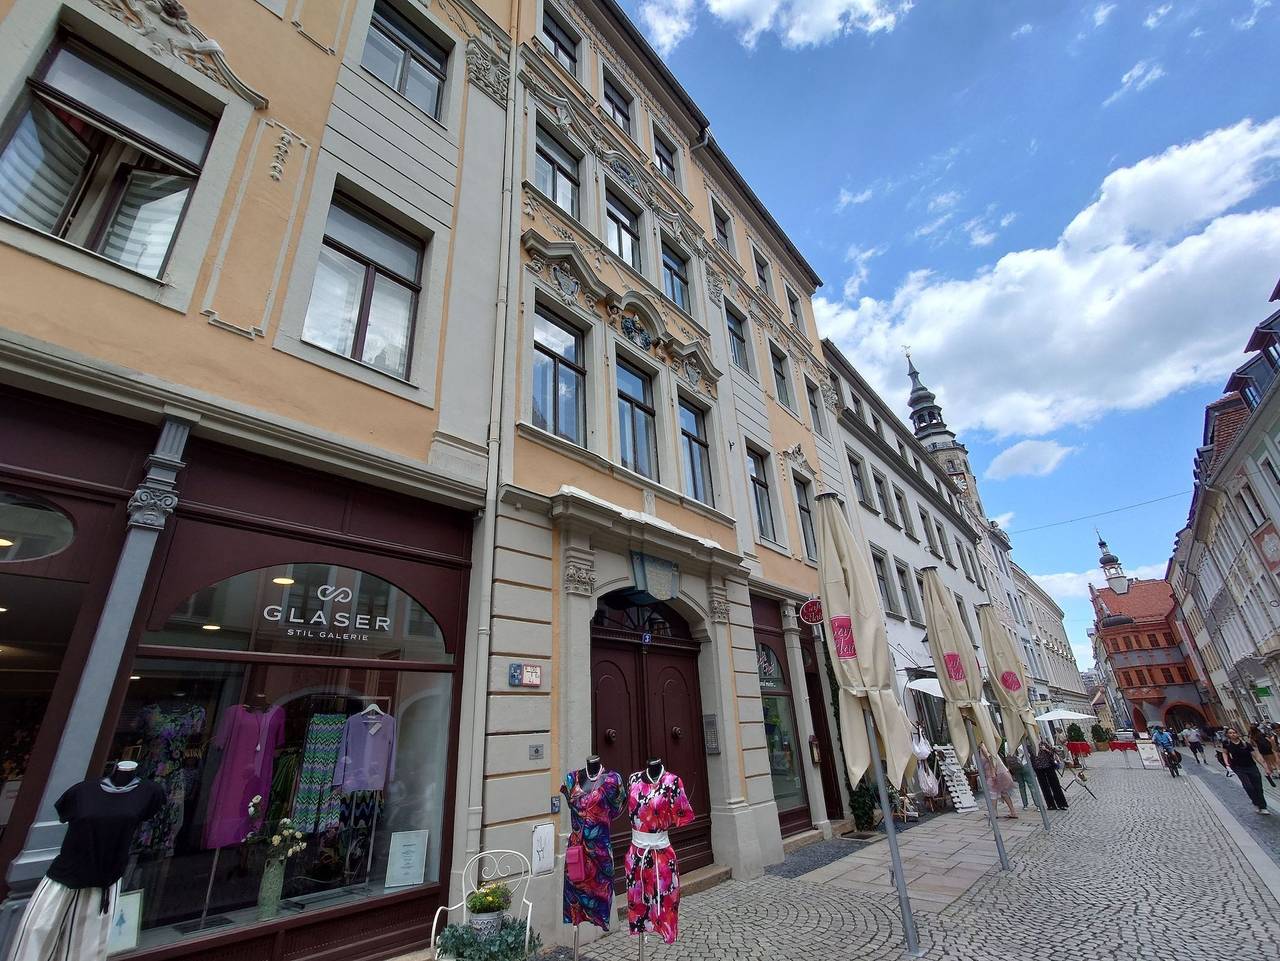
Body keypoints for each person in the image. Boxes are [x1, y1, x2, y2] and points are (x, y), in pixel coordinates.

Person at [1223, 726, 1270, 815]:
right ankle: (1256, 803)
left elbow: (1256, 756)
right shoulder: (1227, 744)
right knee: (1248, 787)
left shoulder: (1245, 744)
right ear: (1228, 735)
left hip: (1251, 766)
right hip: (1239, 768)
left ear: (1237, 733)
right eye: (1230, 733)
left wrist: (1265, 767)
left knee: (1258, 787)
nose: (1232, 734)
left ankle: (1263, 807)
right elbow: (1224, 753)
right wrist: (1227, 763)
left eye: (1234, 732)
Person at [979, 745, 1019, 820]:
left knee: (992, 792)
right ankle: (1013, 812)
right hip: (1000, 772)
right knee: (1003, 792)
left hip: (993, 773)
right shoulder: (989, 744)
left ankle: (994, 813)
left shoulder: (982, 746)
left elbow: (990, 757)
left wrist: (993, 772)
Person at [1031, 739, 1068, 811]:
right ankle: (1051, 805)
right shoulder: (1029, 746)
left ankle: (1061, 804)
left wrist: (1046, 750)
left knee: (1055, 785)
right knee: (1044, 787)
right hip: (1038, 768)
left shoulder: (1043, 743)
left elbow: (1052, 753)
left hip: (1049, 766)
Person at [1003, 743, 1034, 810]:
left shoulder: (1006, 744)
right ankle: (1038, 805)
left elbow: (1007, 757)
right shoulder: (1020, 742)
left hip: (1015, 766)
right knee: (1031, 785)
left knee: (1021, 786)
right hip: (1025, 764)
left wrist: (1009, 768)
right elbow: (1028, 754)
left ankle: (1025, 805)